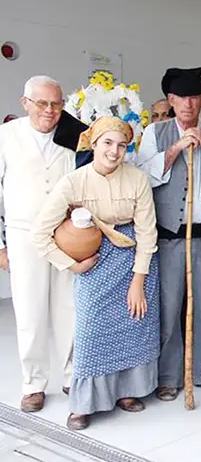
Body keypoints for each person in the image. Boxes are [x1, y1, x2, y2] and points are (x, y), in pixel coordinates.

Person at [32, 116, 160, 430]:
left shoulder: (137, 179)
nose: (114, 152)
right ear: (94, 143)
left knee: (135, 326)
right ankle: (85, 403)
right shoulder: (73, 181)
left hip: (136, 262)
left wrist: (138, 281)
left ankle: (128, 391)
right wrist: (71, 264)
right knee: (91, 334)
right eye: (107, 143)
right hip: (95, 264)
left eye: (121, 145)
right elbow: (39, 233)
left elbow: (147, 233)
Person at [134, 67, 201, 402]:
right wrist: (175, 149)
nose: (187, 104)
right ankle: (169, 376)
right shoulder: (154, 133)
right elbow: (142, 178)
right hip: (169, 237)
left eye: (194, 97)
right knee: (169, 307)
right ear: (170, 101)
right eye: (180, 98)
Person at [0, 75, 87, 413]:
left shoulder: (74, 134)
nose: (49, 111)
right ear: (25, 103)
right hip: (23, 234)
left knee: (69, 306)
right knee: (30, 310)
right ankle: (33, 382)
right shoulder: (7, 135)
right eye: (42, 103)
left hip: (66, 232)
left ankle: (72, 375)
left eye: (56, 103)